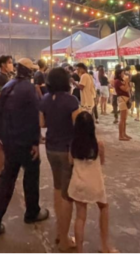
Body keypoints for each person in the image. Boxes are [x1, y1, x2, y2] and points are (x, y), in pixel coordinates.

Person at [0, 58, 49, 236]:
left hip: (9, 140)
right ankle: (32, 212)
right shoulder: (28, 89)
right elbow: (33, 117)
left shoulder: (7, 86)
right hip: (25, 141)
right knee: (31, 177)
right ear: (29, 72)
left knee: (6, 179)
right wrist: (36, 141)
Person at [40, 67, 82, 252]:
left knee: (57, 188)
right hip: (67, 151)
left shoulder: (45, 99)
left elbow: (42, 123)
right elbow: (78, 124)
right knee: (67, 196)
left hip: (50, 149)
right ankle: (64, 240)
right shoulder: (71, 100)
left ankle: (59, 232)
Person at [68, 111, 116, 253]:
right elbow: (102, 162)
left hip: (78, 183)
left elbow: (69, 162)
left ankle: (80, 251)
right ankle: (105, 246)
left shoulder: (73, 146)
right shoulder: (98, 145)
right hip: (95, 184)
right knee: (104, 208)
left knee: (80, 216)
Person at [0, 55, 15, 186]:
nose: (11, 64)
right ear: (3, 65)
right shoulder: (0, 78)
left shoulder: (7, 77)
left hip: (7, 115)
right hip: (0, 116)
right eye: (9, 62)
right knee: (0, 147)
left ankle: (2, 175)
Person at [113, 68, 131, 141]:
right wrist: (126, 81)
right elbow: (126, 89)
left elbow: (129, 88)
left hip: (125, 99)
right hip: (122, 100)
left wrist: (127, 81)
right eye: (123, 73)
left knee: (125, 118)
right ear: (119, 74)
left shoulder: (121, 81)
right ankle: (121, 135)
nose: (124, 74)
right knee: (122, 119)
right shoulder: (117, 81)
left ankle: (124, 133)